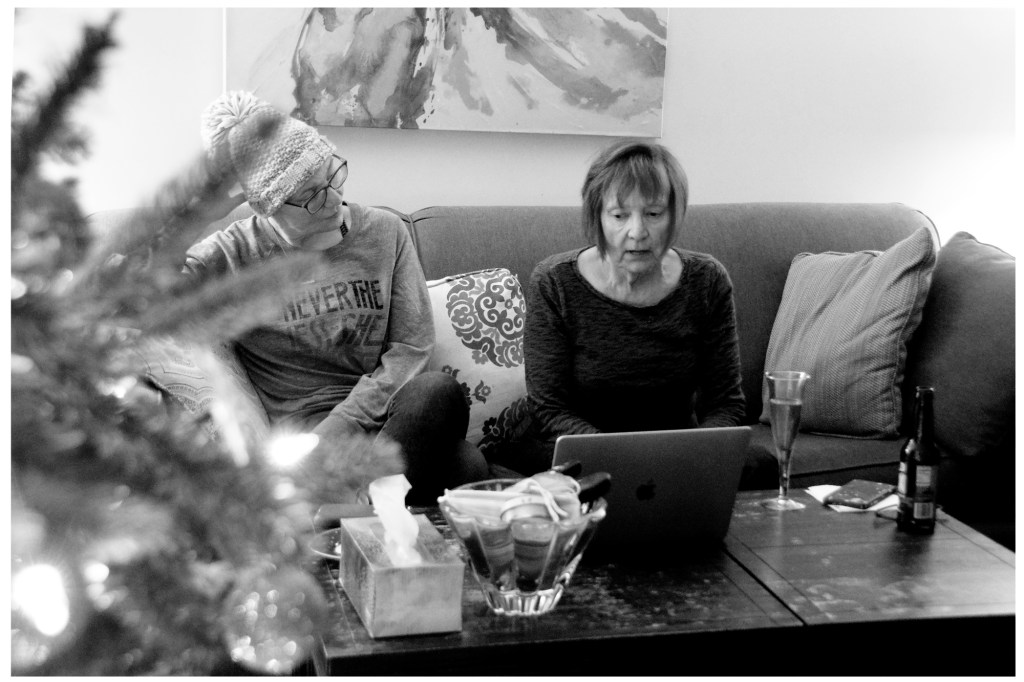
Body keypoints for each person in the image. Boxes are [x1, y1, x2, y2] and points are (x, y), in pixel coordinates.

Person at [182, 91, 488, 503]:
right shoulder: (233, 255)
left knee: (438, 394)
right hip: (303, 442)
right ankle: (367, 503)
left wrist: (346, 422)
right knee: (465, 467)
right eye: (311, 195)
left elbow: (411, 346)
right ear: (268, 206)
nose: (333, 200)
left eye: (333, 175)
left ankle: (352, 505)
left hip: (385, 422)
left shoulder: (385, 232)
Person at [513, 140, 746, 475]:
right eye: (620, 215)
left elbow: (726, 403)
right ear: (598, 217)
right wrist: (626, 460)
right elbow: (549, 409)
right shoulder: (555, 282)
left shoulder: (707, 280)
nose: (637, 232)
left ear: (674, 215)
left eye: (653, 214)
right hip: (582, 453)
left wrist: (697, 453)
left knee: (761, 465)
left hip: (677, 454)